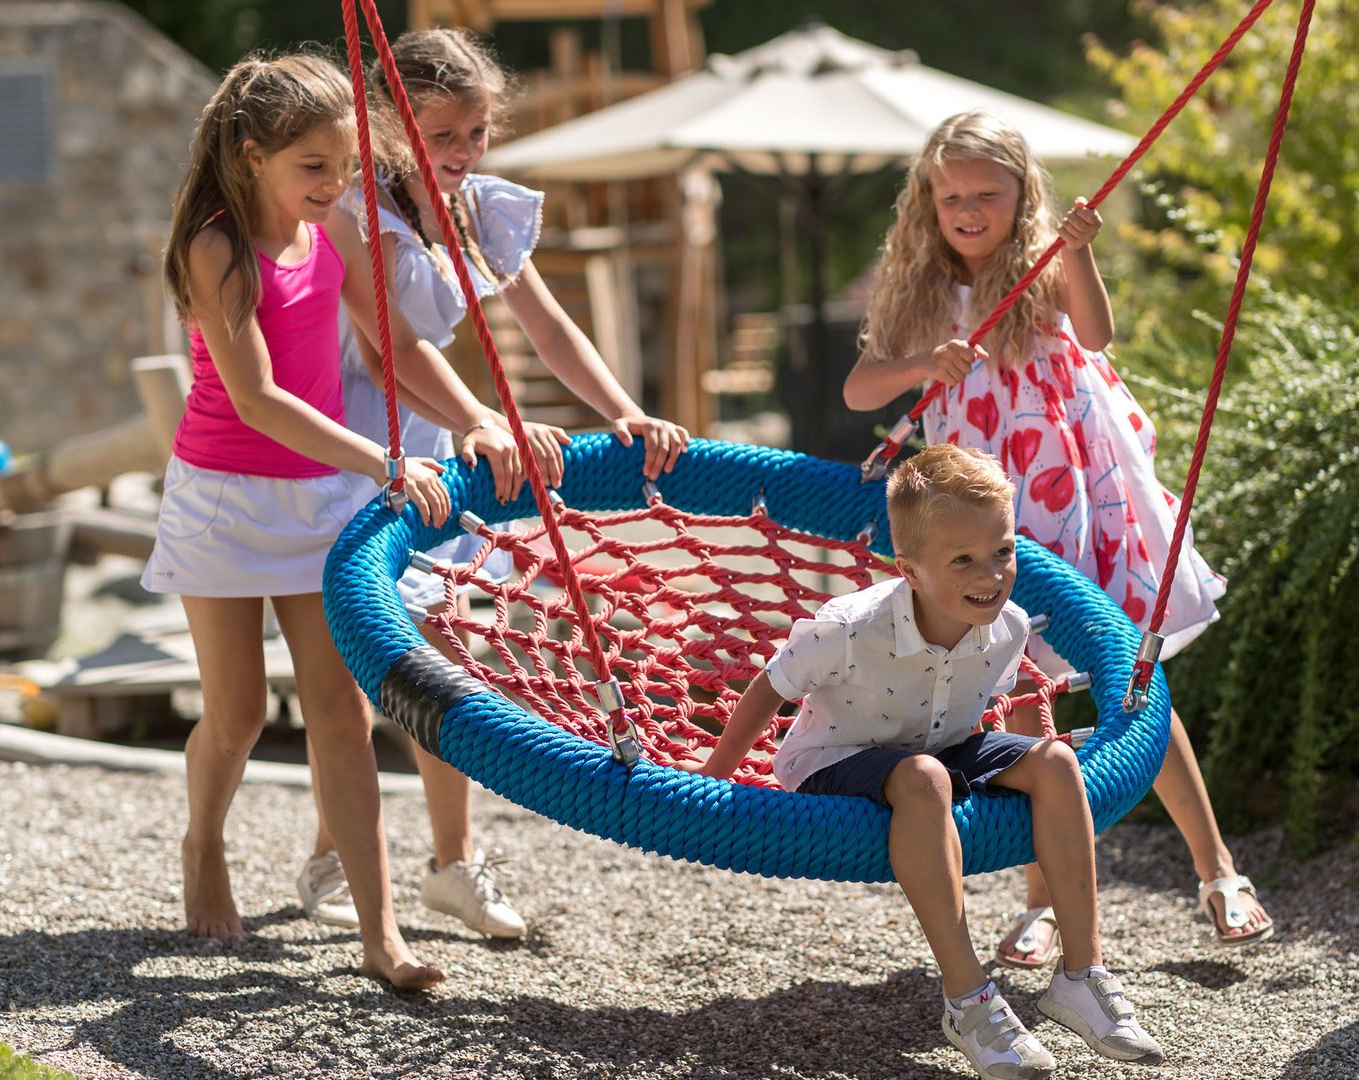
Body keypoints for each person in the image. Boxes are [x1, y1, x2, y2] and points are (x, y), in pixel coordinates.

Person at [843, 111, 1272, 965]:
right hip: (982, 512)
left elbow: (1099, 333)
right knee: (1028, 686)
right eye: (951, 196)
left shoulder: (1037, 261)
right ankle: (1042, 903)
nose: (968, 210)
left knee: (1129, 679)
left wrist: (1075, 248)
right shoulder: (918, 286)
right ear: (928, 202)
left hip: (1065, 492)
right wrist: (927, 364)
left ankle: (1218, 868)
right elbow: (861, 390)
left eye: (987, 195)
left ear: (1019, 194)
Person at [294, 26, 690, 940]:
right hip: (352, 440)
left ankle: (453, 863)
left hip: (433, 437)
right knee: (348, 672)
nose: (466, 154)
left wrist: (625, 409)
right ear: (390, 126)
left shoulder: (474, 207)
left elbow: (546, 326)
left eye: (477, 134)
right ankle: (340, 844)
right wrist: (486, 417)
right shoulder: (353, 212)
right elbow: (380, 342)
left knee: (441, 653)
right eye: (444, 137)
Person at [696, 445, 1159, 1075]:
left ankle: (1081, 975)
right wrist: (711, 782)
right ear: (909, 571)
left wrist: (1030, 777)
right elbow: (770, 687)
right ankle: (967, 998)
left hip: (940, 745)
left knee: (1055, 763)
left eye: (1002, 552)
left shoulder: (1010, 626)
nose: (990, 575)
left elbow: (1003, 714)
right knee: (924, 778)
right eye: (963, 560)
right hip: (835, 757)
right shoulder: (849, 627)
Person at [148, 52, 457, 989]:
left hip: (321, 500)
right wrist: (384, 461)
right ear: (251, 157)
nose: (331, 186)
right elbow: (258, 400)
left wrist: (476, 418)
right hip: (224, 503)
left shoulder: (338, 233)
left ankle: (380, 935)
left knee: (343, 712)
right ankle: (205, 845)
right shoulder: (217, 246)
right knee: (237, 715)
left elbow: (391, 344)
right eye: (311, 169)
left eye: (342, 167)